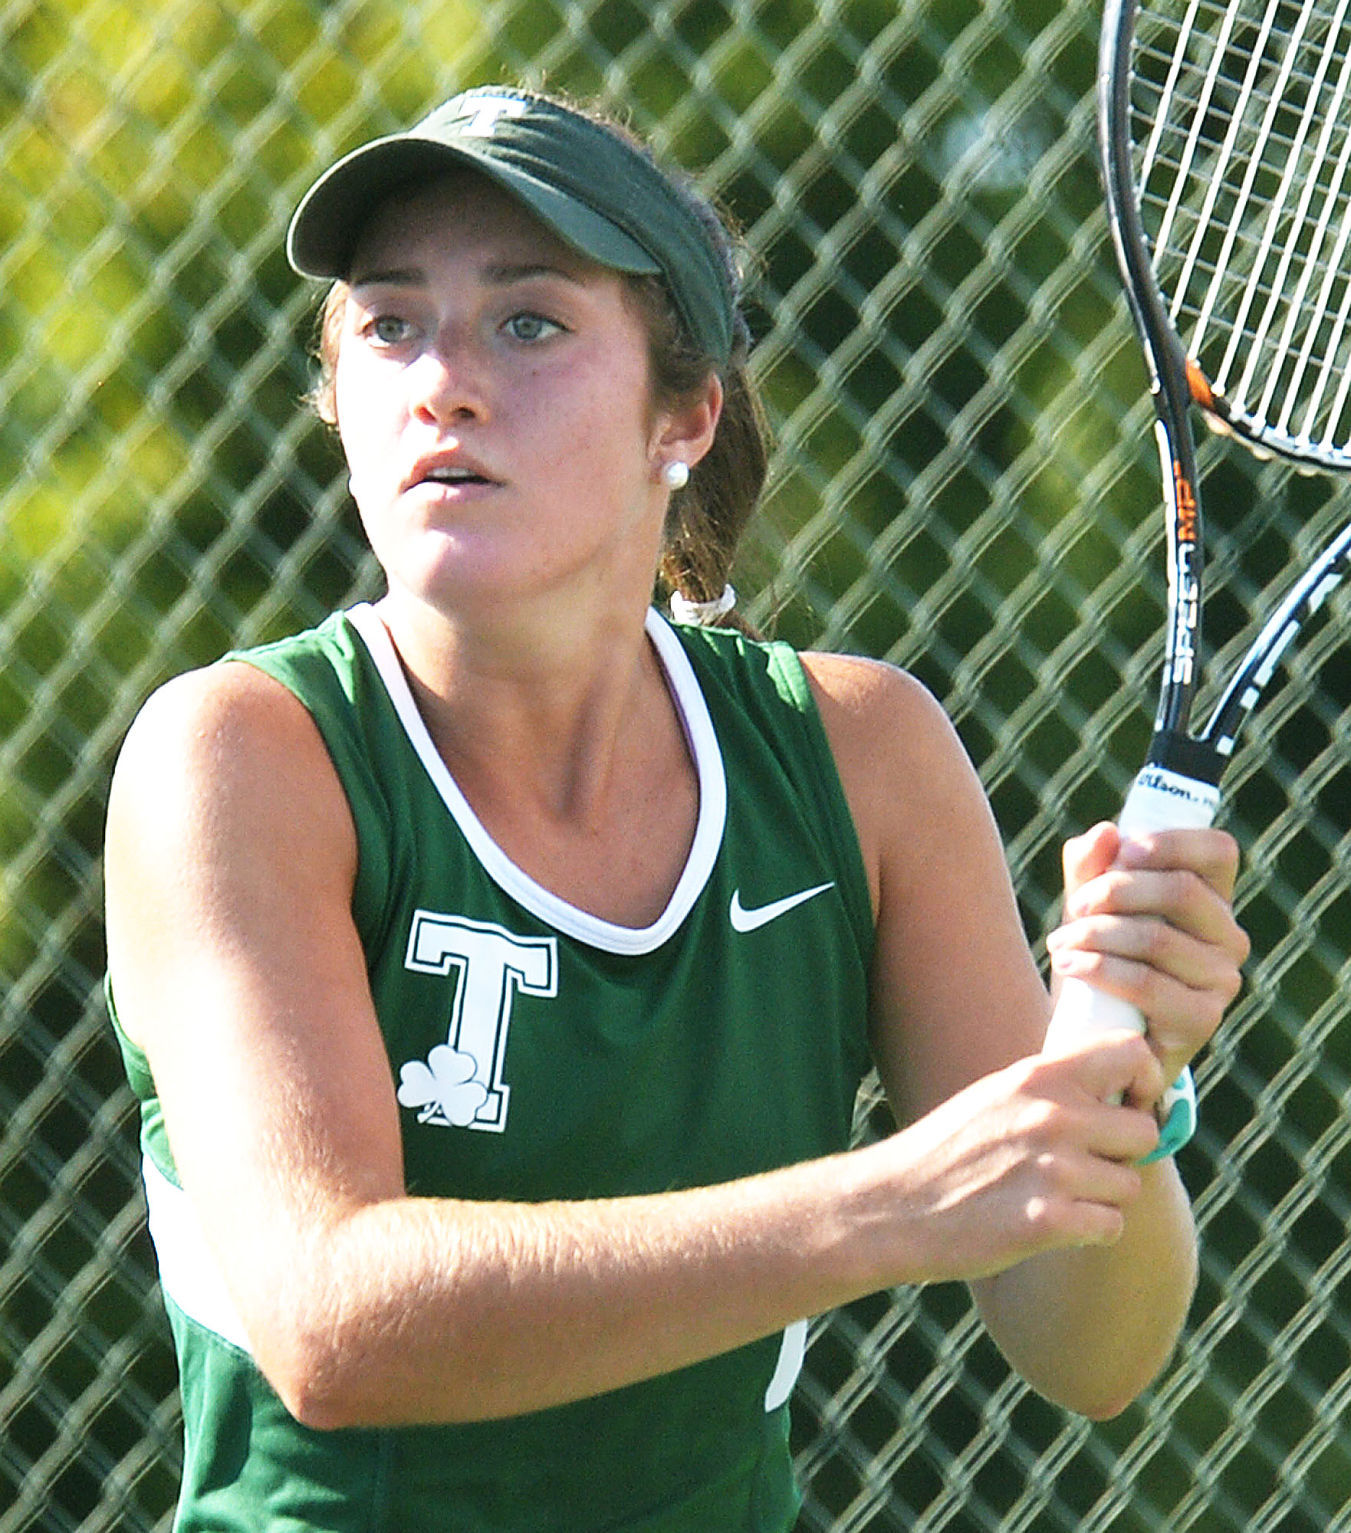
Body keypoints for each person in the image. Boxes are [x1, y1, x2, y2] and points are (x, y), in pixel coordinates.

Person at [103, 86, 1249, 1532]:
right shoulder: (240, 757)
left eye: (528, 322)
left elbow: (1090, 1346)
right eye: (390, 323)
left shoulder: (858, 757)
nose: (441, 381)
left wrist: (1120, 1074)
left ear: (686, 413)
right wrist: (891, 1205)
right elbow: (334, 1317)